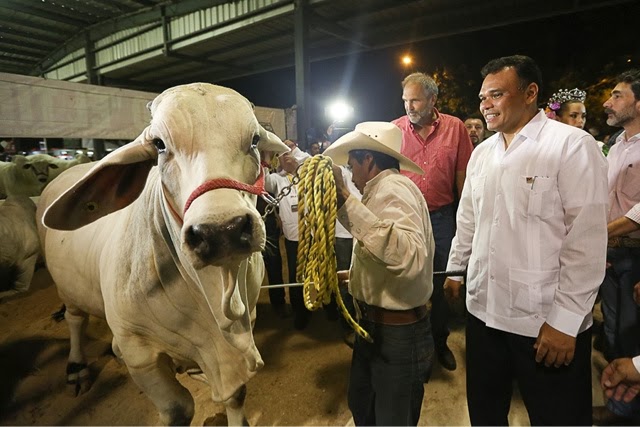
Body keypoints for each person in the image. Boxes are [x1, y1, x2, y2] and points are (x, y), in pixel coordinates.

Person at [444, 55, 608, 425]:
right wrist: (456, 271)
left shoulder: (571, 146)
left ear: (531, 93)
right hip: (484, 314)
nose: (485, 104)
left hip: (542, 323)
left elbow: (586, 241)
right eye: (482, 96)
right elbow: (468, 217)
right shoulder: (482, 153)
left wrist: (566, 322)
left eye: (496, 94)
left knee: (557, 417)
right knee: (486, 414)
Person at [323, 121, 435, 426]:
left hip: (397, 336)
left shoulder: (393, 189)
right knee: (364, 406)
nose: (350, 172)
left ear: (368, 160)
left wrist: (344, 198)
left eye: (352, 164)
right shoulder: (381, 190)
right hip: (377, 329)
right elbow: (383, 252)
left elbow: (408, 256)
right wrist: (351, 275)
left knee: (390, 419)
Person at [392, 72, 473, 371]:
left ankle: (439, 341)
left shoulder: (456, 129)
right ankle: (412, 345)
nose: (409, 106)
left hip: (441, 219)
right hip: (406, 218)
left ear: (432, 100)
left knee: (441, 284)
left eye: (415, 100)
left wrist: (467, 219)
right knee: (407, 279)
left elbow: (463, 176)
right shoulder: (394, 130)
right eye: (405, 100)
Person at [592, 69, 640, 425]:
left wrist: (597, 236)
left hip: (633, 253)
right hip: (609, 250)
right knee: (611, 328)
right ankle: (618, 402)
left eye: (618, 95)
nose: (608, 102)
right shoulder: (616, 142)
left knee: (630, 330)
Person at [264, 148, 312, 329]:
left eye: (290, 151)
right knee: (296, 274)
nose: (287, 157)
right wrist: (267, 160)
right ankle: (300, 312)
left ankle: (316, 306)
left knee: (315, 272)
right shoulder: (278, 179)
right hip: (293, 237)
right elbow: (264, 182)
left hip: (313, 233)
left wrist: (297, 161)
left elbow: (312, 160)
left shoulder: (307, 173)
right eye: (282, 155)